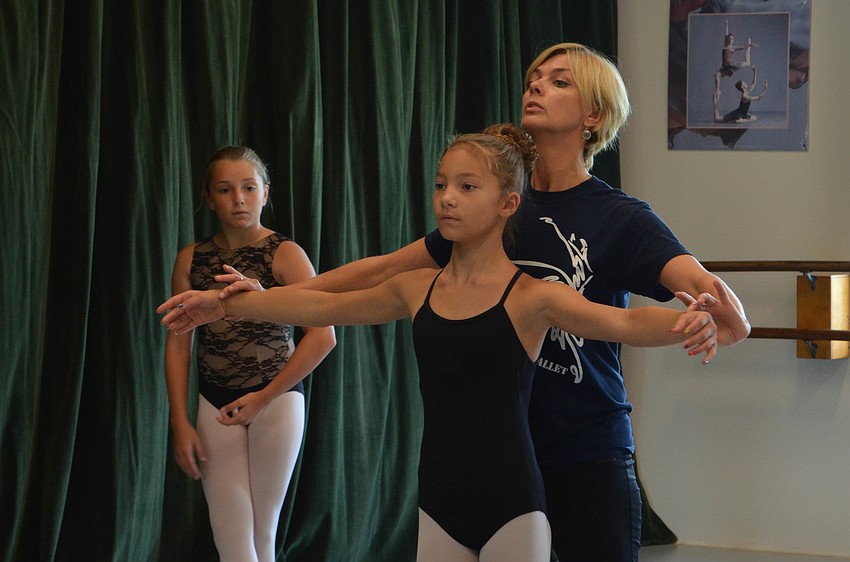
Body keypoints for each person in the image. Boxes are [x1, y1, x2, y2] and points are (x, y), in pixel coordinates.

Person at [209, 43, 749, 561]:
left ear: (595, 114)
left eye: (559, 83)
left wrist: (710, 315)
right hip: (503, 453)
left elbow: (712, 306)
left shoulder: (621, 217)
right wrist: (268, 297)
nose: (536, 87)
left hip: (586, 448)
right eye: (533, 80)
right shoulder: (493, 203)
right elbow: (378, 271)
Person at [163, 146, 336, 562]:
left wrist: (263, 398)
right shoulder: (192, 257)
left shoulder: (285, 253)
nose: (238, 199)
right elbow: (178, 340)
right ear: (209, 198)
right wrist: (179, 420)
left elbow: (322, 336)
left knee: (262, 531)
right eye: (225, 190)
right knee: (232, 536)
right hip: (214, 400)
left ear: (265, 193)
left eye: (247, 188)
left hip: (276, 398)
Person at [714, 18, 757, 95]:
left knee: (748, 63)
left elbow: (743, 47)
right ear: (728, 39)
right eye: (730, 38)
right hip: (726, 68)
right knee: (717, 74)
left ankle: (749, 49)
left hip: (731, 64)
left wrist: (750, 45)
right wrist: (726, 25)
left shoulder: (733, 48)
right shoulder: (725, 45)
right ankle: (717, 91)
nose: (730, 40)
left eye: (732, 39)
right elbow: (726, 34)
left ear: (733, 40)